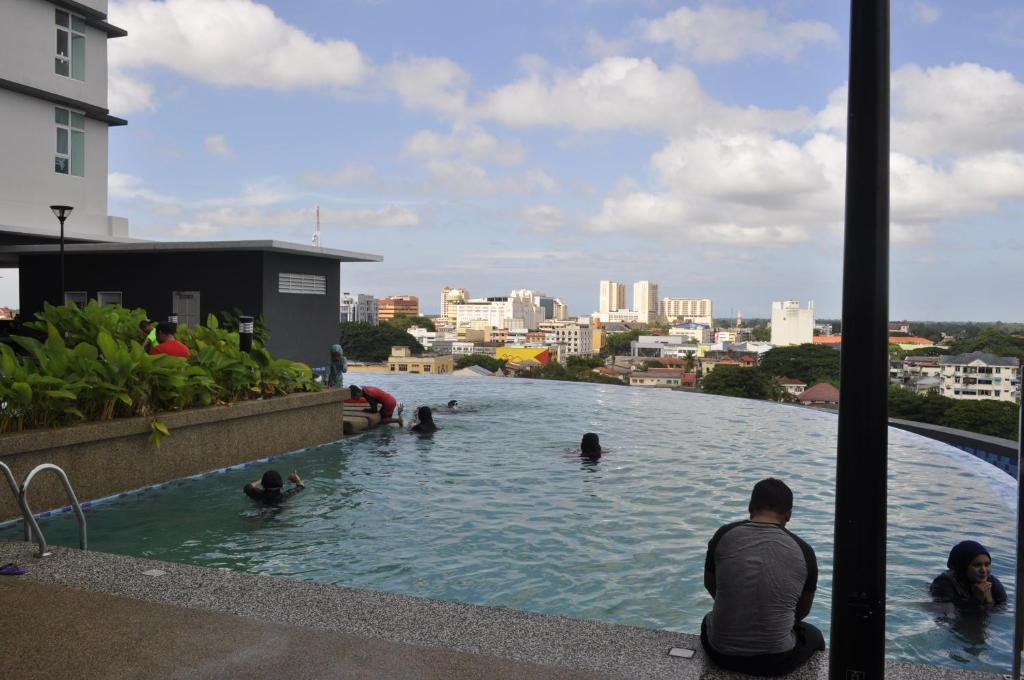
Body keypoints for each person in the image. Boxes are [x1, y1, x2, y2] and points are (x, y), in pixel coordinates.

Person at [701, 478, 824, 677]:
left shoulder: (723, 534)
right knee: (814, 634)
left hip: (720, 653)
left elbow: (710, 584)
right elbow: (803, 609)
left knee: (709, 618)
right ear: (788, 515)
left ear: (750, 507)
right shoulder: (804, 551)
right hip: (776, 661)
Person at [930, 540, 1008, 606]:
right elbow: (948, 616)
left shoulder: (992, 582)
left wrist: (989, 600)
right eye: (977, 565)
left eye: (987, 564)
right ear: (962, 566)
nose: (983, 570)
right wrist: (977, 599)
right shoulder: (944, 583)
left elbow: (1001, 610)